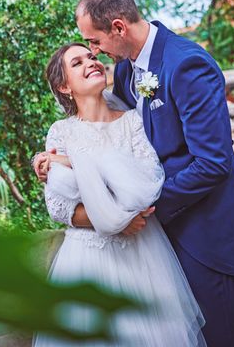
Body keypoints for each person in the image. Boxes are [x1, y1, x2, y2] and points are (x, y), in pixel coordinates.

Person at [35, 0, 234, 347]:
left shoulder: (186, 64)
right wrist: (59, 159)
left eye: (94, 42)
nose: (94, 53)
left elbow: (213, 162)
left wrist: (144, 211)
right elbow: (108, 140)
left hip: (210, 239)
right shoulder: (128, 71)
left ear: (118, 28)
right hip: (161, 249)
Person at [33, 43, 206, 347]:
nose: (91, 62)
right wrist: (113, 221)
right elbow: (59, 208)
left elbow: (146, 184)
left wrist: (75, 162)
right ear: (64, 86)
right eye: (77, 62)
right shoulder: (60, 133)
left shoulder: (132, 122)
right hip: (87, 260)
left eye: (92, 56)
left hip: (144, 257)